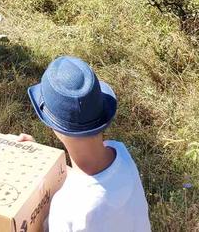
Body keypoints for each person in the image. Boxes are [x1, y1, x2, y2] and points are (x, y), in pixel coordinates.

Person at [17, 56, 151, 232]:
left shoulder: (67, 209)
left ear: (53, 127)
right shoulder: (120, 152)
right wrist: (44, 160)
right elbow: (90, 181)